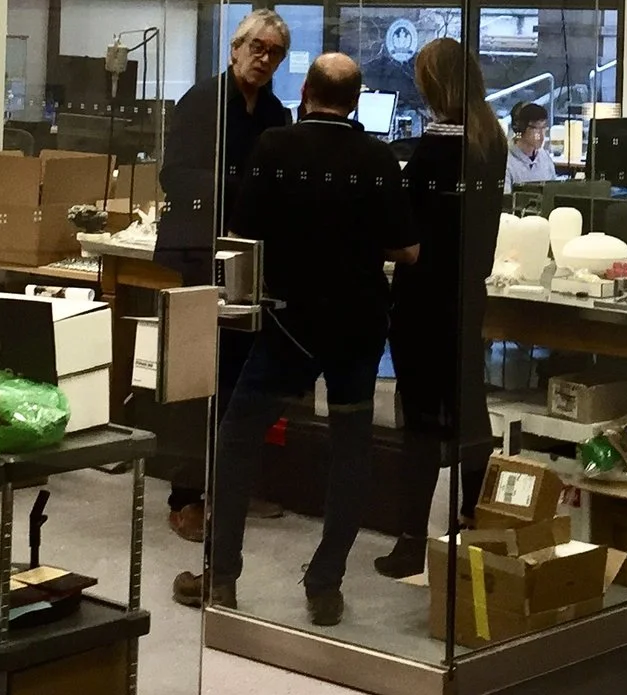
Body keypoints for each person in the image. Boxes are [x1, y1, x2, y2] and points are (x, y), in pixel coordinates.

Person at [190, 52, 416, 624]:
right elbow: (408, 249)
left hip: (290, 326)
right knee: (350, 448)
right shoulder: (378, 157)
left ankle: (221, 578)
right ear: (356, 101)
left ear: (306, 93)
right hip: (357, 325)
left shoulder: (274, 147)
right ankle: (324, 586)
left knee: (238, 436)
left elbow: (240, 236)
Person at [153, 9, 292, 542]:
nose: (264, 58)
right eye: (257, 47)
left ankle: (229, 488)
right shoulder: (202, 101)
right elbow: (174, 174)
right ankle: (186, 497)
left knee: (240, 381)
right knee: (196, 378)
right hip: (198, 252)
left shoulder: (276, 113)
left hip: (247, 258)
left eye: (274, 52)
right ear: (235, 49)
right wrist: (243, 188)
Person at [375, 38, 507, 578]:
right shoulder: (490, 139)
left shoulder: (434, 150)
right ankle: (474, 520)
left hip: (423, 297)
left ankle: (411, 540)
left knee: (422, 421)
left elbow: (405, 234)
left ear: (430, 84)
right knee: (469, 406)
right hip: (467, 292)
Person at [505, 100, 557, 186]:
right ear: (521, 128)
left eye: (543, 127)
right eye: (536, 128)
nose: (541, 135)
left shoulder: (544, 157)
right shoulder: (507, 162)